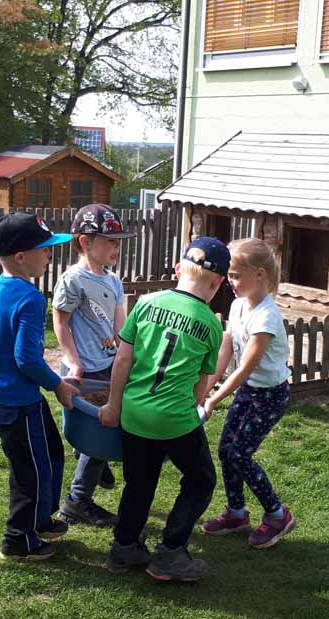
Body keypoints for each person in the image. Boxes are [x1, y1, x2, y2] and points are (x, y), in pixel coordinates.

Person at [98, 237, 228, 582]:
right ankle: (170, 552)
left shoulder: (146, 302)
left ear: (177, 270)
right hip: (174, 418)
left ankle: (123, 547)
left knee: (139, 484)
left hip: (134, 412)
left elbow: (123, 359)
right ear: (218, 283)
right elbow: (201, 386)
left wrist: (113, 403)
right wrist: (198, 407)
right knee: (201, 480)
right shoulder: (212, 324)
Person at [0, 212, 81, 561]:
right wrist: (59, 386)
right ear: (21, 256)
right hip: (15, 398)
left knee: (50, 452)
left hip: (10, 394)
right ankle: (18, 539)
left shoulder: (3, 286)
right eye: (45, 249)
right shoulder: (30, 298)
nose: (49, 255)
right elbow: (26, 358)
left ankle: (39, 520)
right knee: (30, 471)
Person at [200, 238, 296, 548]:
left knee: (240, 454)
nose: (230, 282)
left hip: (269, 395)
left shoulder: (267, 316)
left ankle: (278, 514)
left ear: (259, 274)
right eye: (229, 275)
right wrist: (205, 386)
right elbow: (226, 352)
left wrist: (214, 399)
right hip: (249, 391)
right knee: (226, 449)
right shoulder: (238, 305)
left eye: (236, 275)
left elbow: (245, 369)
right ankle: (237, 513)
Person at [53, 204, 135, 527]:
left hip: (108, 367)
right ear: (85, 242)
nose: (117, 247)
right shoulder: (72, 281)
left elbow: (120, 330)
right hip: (83, 372)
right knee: (100, 432)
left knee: (106, 427)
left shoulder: (114, 282)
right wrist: (73, 361)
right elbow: (60, 322)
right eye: (110, 240)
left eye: (119, 241)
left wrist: (131, 357)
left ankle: (92, 459)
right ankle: (77, 500)